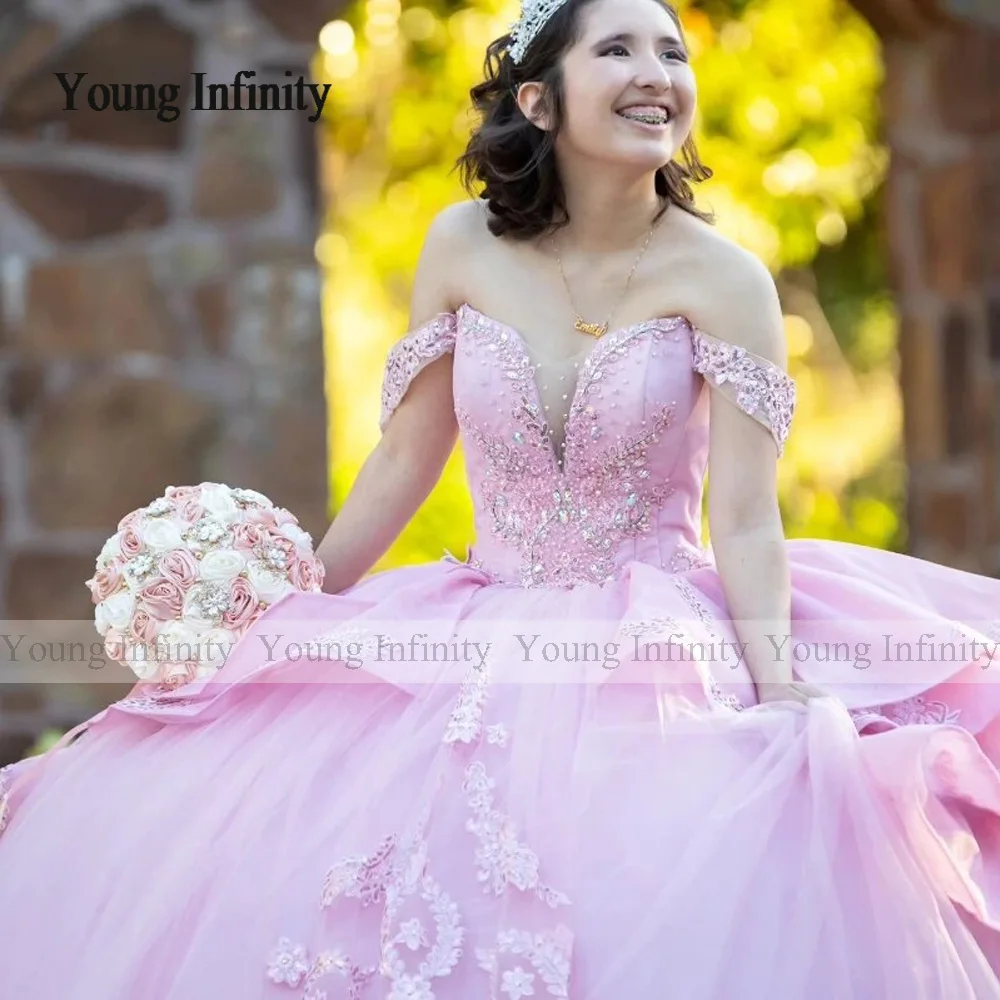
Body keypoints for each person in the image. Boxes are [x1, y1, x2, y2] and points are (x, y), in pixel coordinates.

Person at [3, 0, 1000, 995]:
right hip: (478, 620)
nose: (657, 73)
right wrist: (299, 600)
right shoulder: (461, 246)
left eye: (672, 52)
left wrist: (779, 685)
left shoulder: (727, 280)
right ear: (539, 98)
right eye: (617, 49)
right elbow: (404, 459)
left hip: (652, 640)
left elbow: (743, 515)